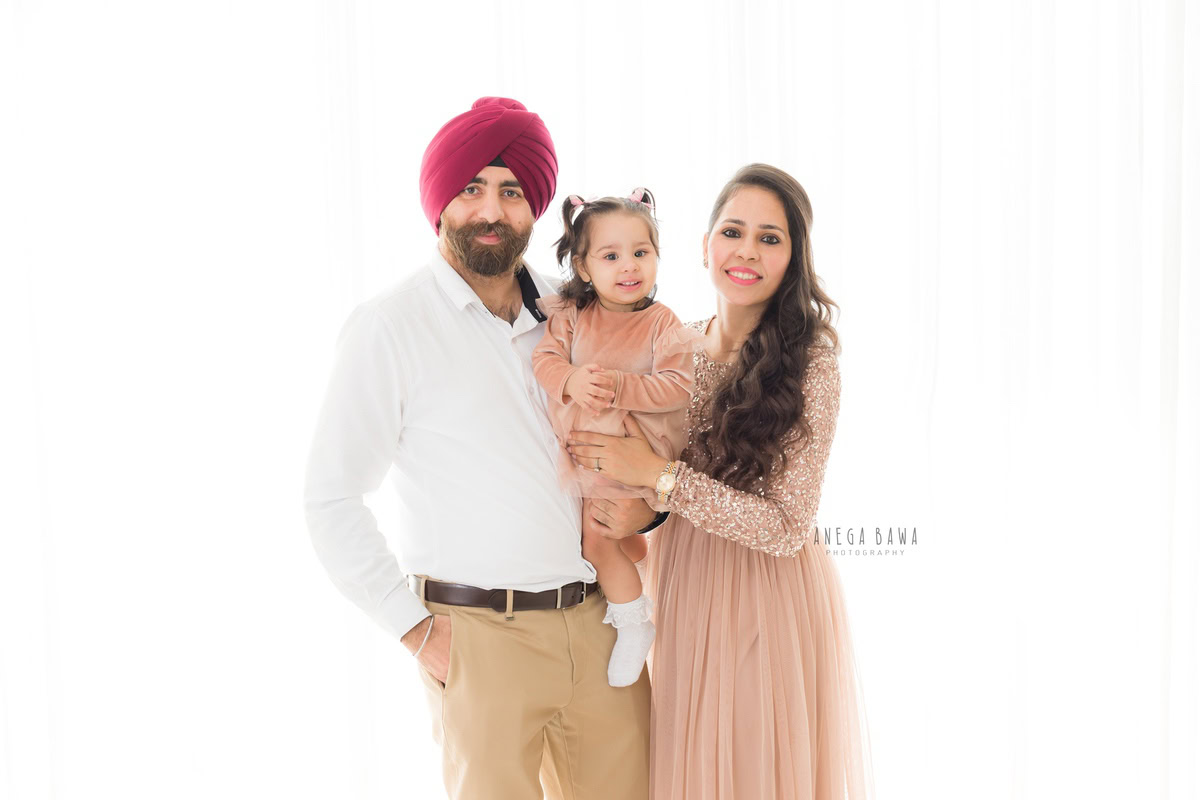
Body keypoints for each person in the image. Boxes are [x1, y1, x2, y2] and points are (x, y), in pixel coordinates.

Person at [303, 97, 658, 800]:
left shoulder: (573, 312)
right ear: (440, 205)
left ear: (536, 211)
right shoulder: (389, 327)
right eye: (471, 189)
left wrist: (649, 514)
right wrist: (414, 631)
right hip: (478, 639)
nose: (491, 210)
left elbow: (646, 430)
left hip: (600, 625)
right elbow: (331, 497)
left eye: (511, 191)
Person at [566, 163, 875, 799]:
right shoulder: (672, 345)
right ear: (705, 245)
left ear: (794, 258)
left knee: (752, 767)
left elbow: (786, 528)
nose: (747, 251)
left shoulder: (810, 365)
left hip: (770, 592)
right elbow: (650, 475)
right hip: (684, 583)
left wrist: (659, 479)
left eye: (771, 238)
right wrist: (645, 508)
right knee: (690, 762)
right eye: (733, 231)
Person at [531, 188, 701, 688]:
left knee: (595, 540)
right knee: (597, 535)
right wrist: (570, 379)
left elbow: (679, 386)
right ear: (584, 269)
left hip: (635, 448)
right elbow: (544, 360)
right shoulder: (572, 315)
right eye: (611, 256)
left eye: (640, 253)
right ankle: (633, 557)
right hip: (588, 449)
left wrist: (624, 387)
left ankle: (634, 625)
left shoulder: (661, 322)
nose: (629, 266)